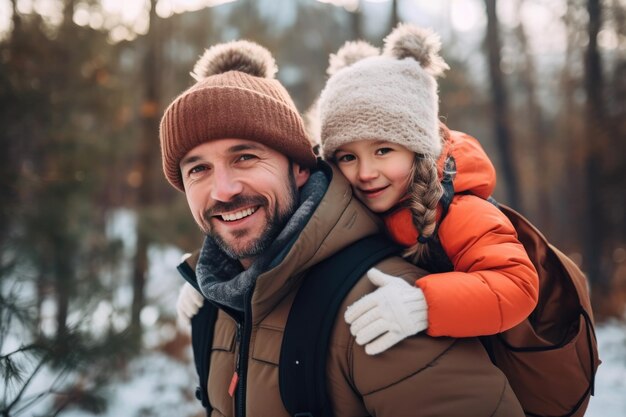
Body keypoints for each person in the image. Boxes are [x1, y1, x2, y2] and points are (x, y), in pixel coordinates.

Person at [162, 38, 525, 416]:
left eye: (246, 157)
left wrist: (425, 303)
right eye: (198, 169)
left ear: (302, 167)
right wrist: (207, 288)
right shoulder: (223, 297)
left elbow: (513, 283)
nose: (223, 190)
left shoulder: (380, 305)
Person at [315, 23, 539, 355]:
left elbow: (517, 285)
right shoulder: (355, 202)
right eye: (348, 157)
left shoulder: (462, 212)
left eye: (383, 151)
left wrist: (424, 303)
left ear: (418, 149)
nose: (365, 173)